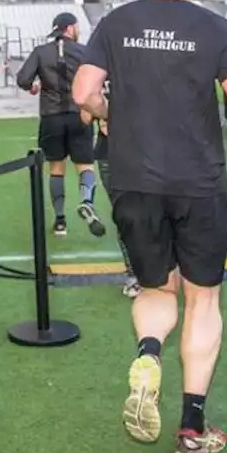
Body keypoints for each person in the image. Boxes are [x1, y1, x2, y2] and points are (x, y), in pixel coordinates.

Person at [72, 0, 227, 453]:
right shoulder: (215, 27)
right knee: (203, 299)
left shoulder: (117, 22)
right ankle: (191, 430)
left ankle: (148, 354)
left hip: (134, 179)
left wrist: (112, 115)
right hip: (198, 183)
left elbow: (84, 93)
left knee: (157, 288)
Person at [17, 12, 106, 238]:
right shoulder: (84, 51)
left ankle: (60, 221)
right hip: (79, 115)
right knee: (85, 165)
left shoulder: (40, 52)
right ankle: (87, 202)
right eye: (76, 27)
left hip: (51, 117)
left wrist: (34, 87)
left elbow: (23, 79)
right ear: (69, 29)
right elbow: (100, 78)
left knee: (56, 169)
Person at [80, 81, 142, 299]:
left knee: (132, 213)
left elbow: (85, 116)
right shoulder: (102, 75)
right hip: (123, 154)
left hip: (133, 152)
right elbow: (86, 115)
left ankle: (140, 275)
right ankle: (137, 274)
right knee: (129, 213)